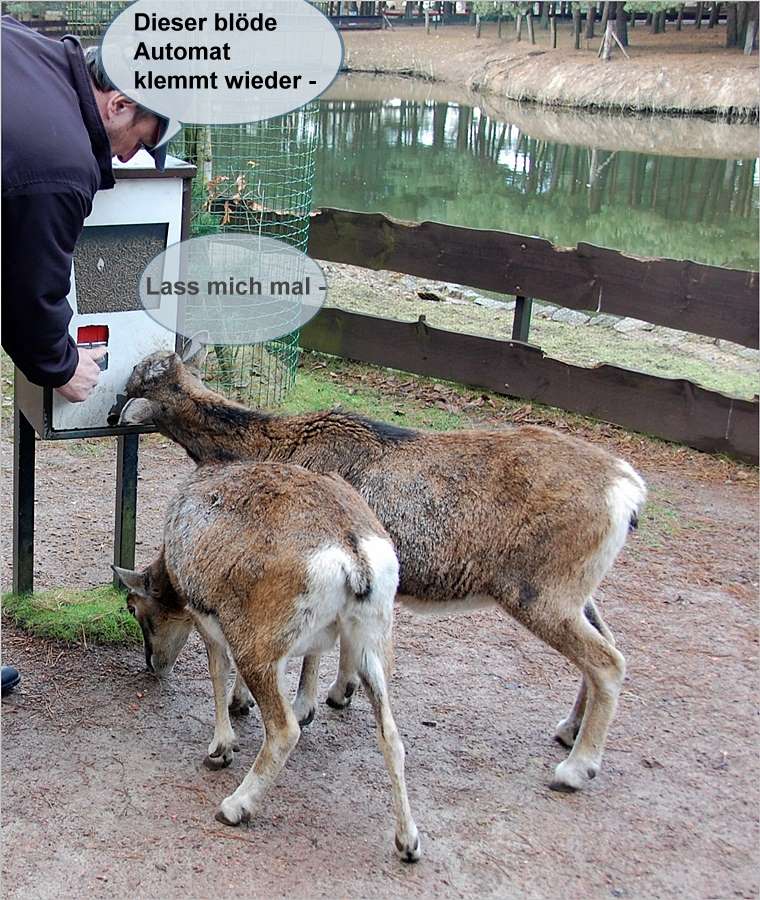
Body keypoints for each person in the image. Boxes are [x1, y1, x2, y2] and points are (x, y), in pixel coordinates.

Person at [1, 17, 169, 696]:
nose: (130, 159)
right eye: (138, 141)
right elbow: (28, 293)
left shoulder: (33, 52)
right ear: (118, 103)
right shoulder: (62, 161)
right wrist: (61, 363)